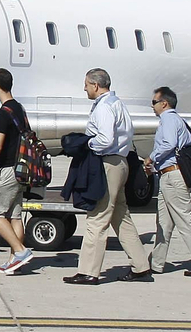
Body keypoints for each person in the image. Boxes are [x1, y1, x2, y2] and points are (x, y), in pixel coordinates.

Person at [65, 68, 152, 284]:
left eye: (86, 84)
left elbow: (104, 139)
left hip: (107, 164)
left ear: (95, 85)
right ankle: (141, 266)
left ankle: (88, 272)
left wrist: (85, 144)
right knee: (120, 215)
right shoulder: (117, 104)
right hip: (120, 162)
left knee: (97, 217)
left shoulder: (103, 107)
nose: (84, 88)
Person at [143, 86, 191, 277]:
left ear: (164, 103)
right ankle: (155, 264)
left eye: (154, 102)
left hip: (173, 176)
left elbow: (168, 144)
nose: (152, 106)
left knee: (185, 220)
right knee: (163, 223)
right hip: (167, 175)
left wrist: (150, 158)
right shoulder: (175, 120)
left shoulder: (168, 119)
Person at [0, 68, 34, 276]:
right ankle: (14, 261)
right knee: (15, 215)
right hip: (22, 168)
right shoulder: (19, 108)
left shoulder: (3, 112)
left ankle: (20, 251)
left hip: (8, 171)